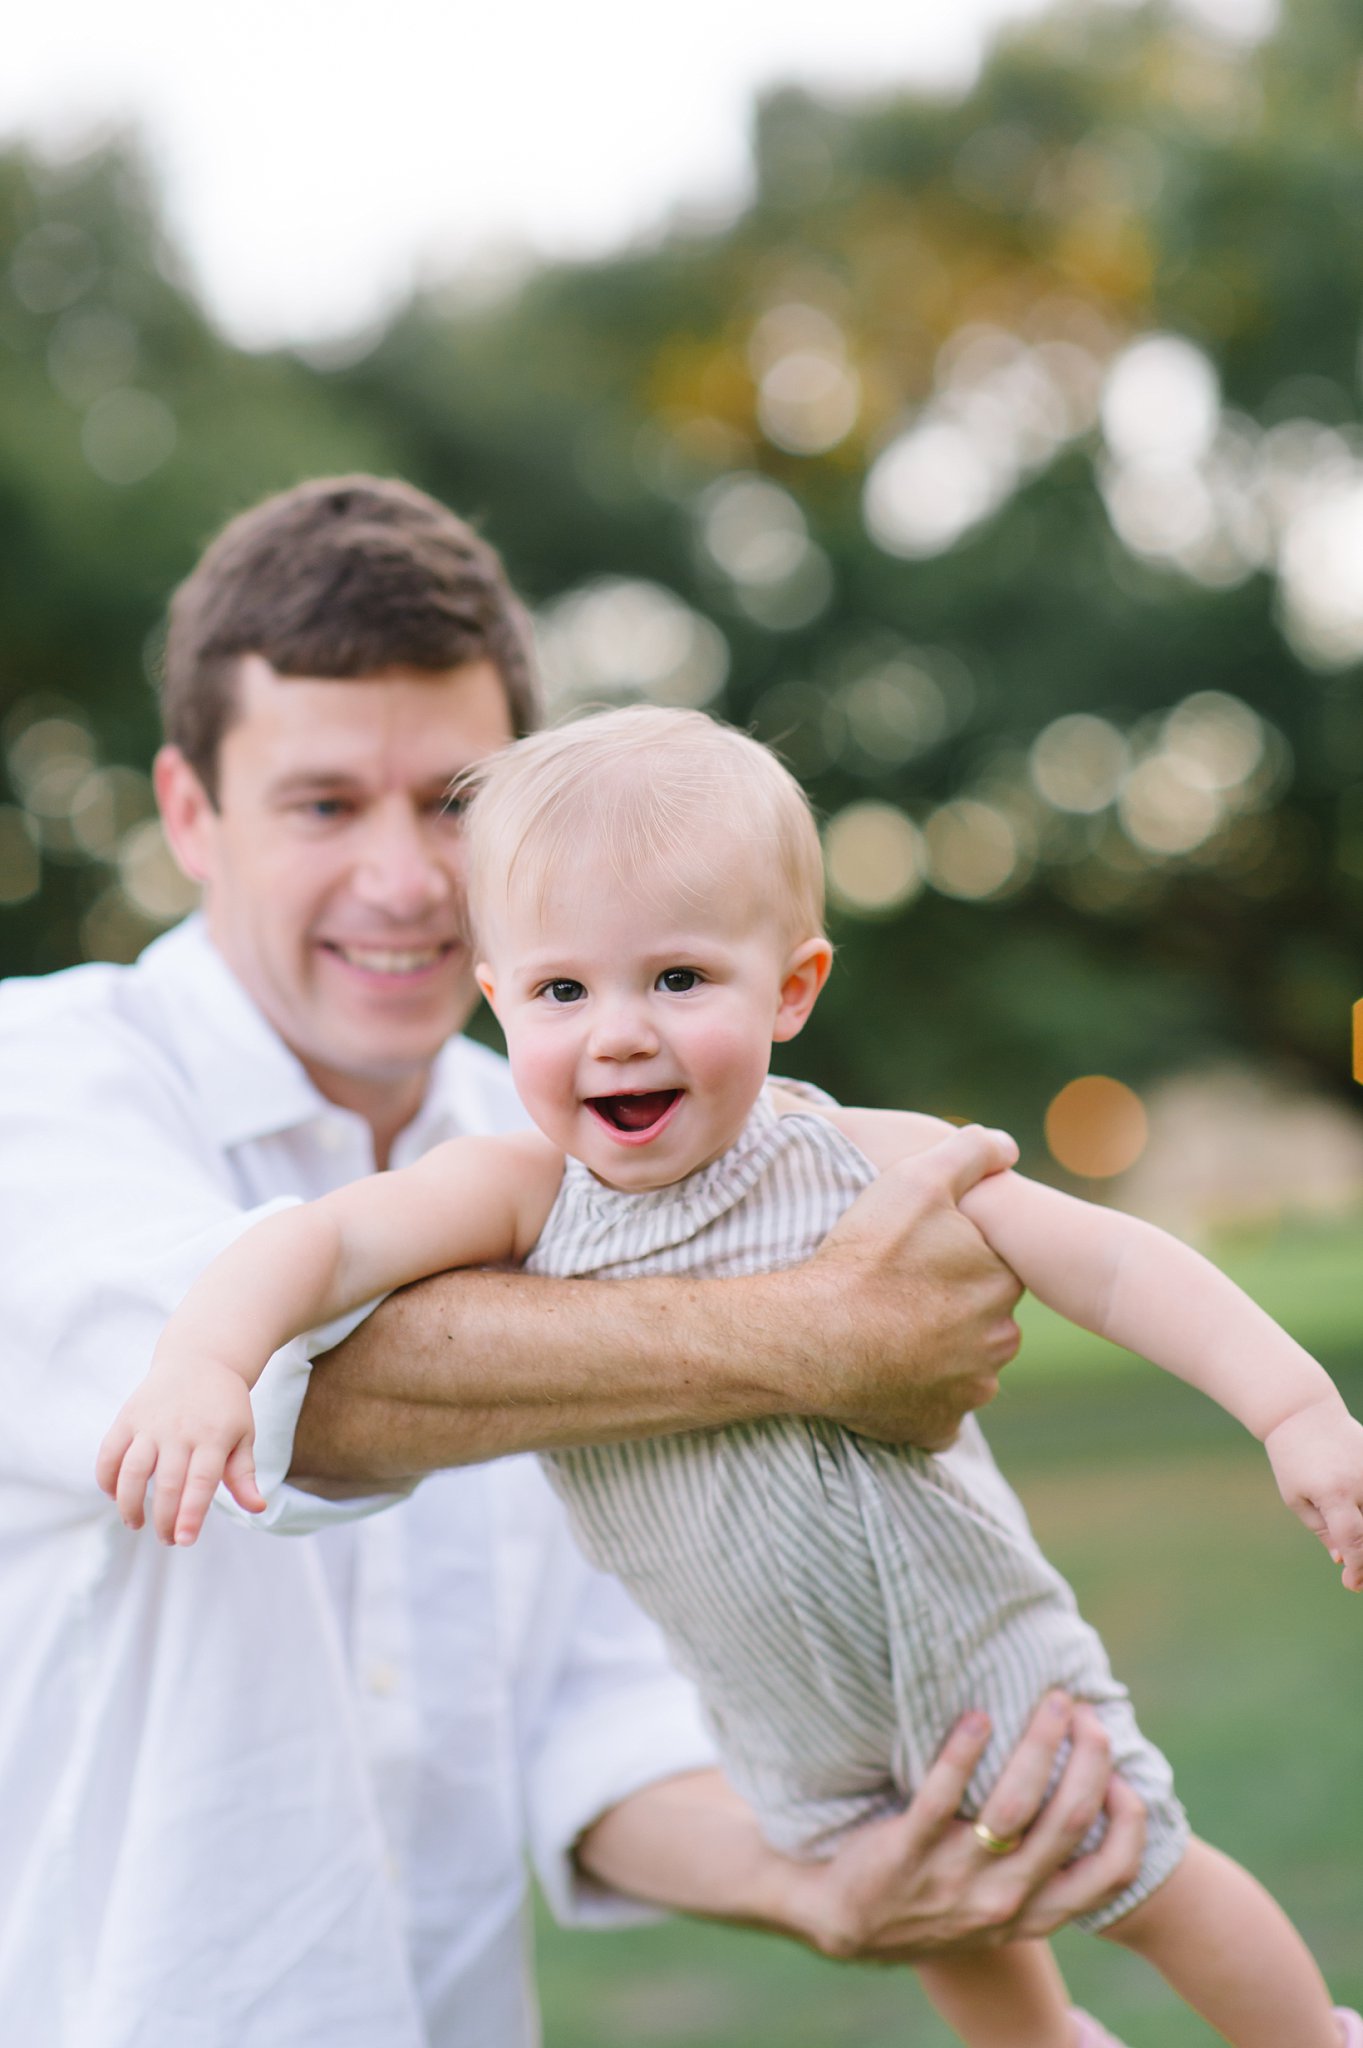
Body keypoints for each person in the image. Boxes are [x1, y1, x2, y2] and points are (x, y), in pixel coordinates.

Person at [0, 477, 1145, 2048]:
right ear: (190, 812)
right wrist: (818, 1332)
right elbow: (293, 1392)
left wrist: (823, 1878)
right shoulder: (43, 1075)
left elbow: (589, 1714)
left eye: (451, 805)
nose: (408, 880)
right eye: (325, 804)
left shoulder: (596, 1151)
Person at [104, 704, 1363, 2048]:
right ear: (500, 998)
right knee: (957, 1913)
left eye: (681, 980)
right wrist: (204, 1357)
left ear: (794, 987)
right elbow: (328, 1240)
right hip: (780, 1716)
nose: (619, 1034)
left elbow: (1108, 1263)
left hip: (973, 1645)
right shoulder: (520, 1195)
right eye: (563, 992)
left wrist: (1297, 1412)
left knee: (1139, 1870)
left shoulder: (855, 1158)